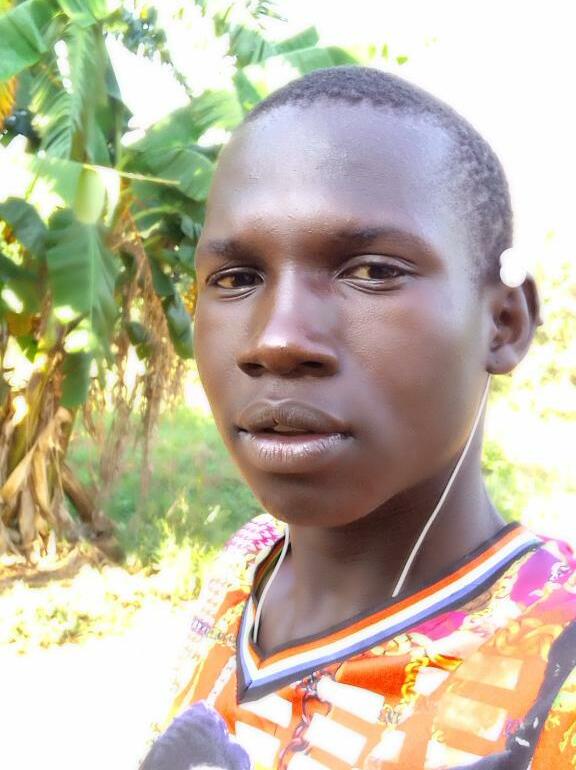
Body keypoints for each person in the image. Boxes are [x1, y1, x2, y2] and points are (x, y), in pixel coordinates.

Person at [143, 66, 576, 770]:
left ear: (503, 323)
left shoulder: (555, 669)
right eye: (236, 278)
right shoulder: (247, 564)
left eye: (372, 271)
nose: (276, 340)